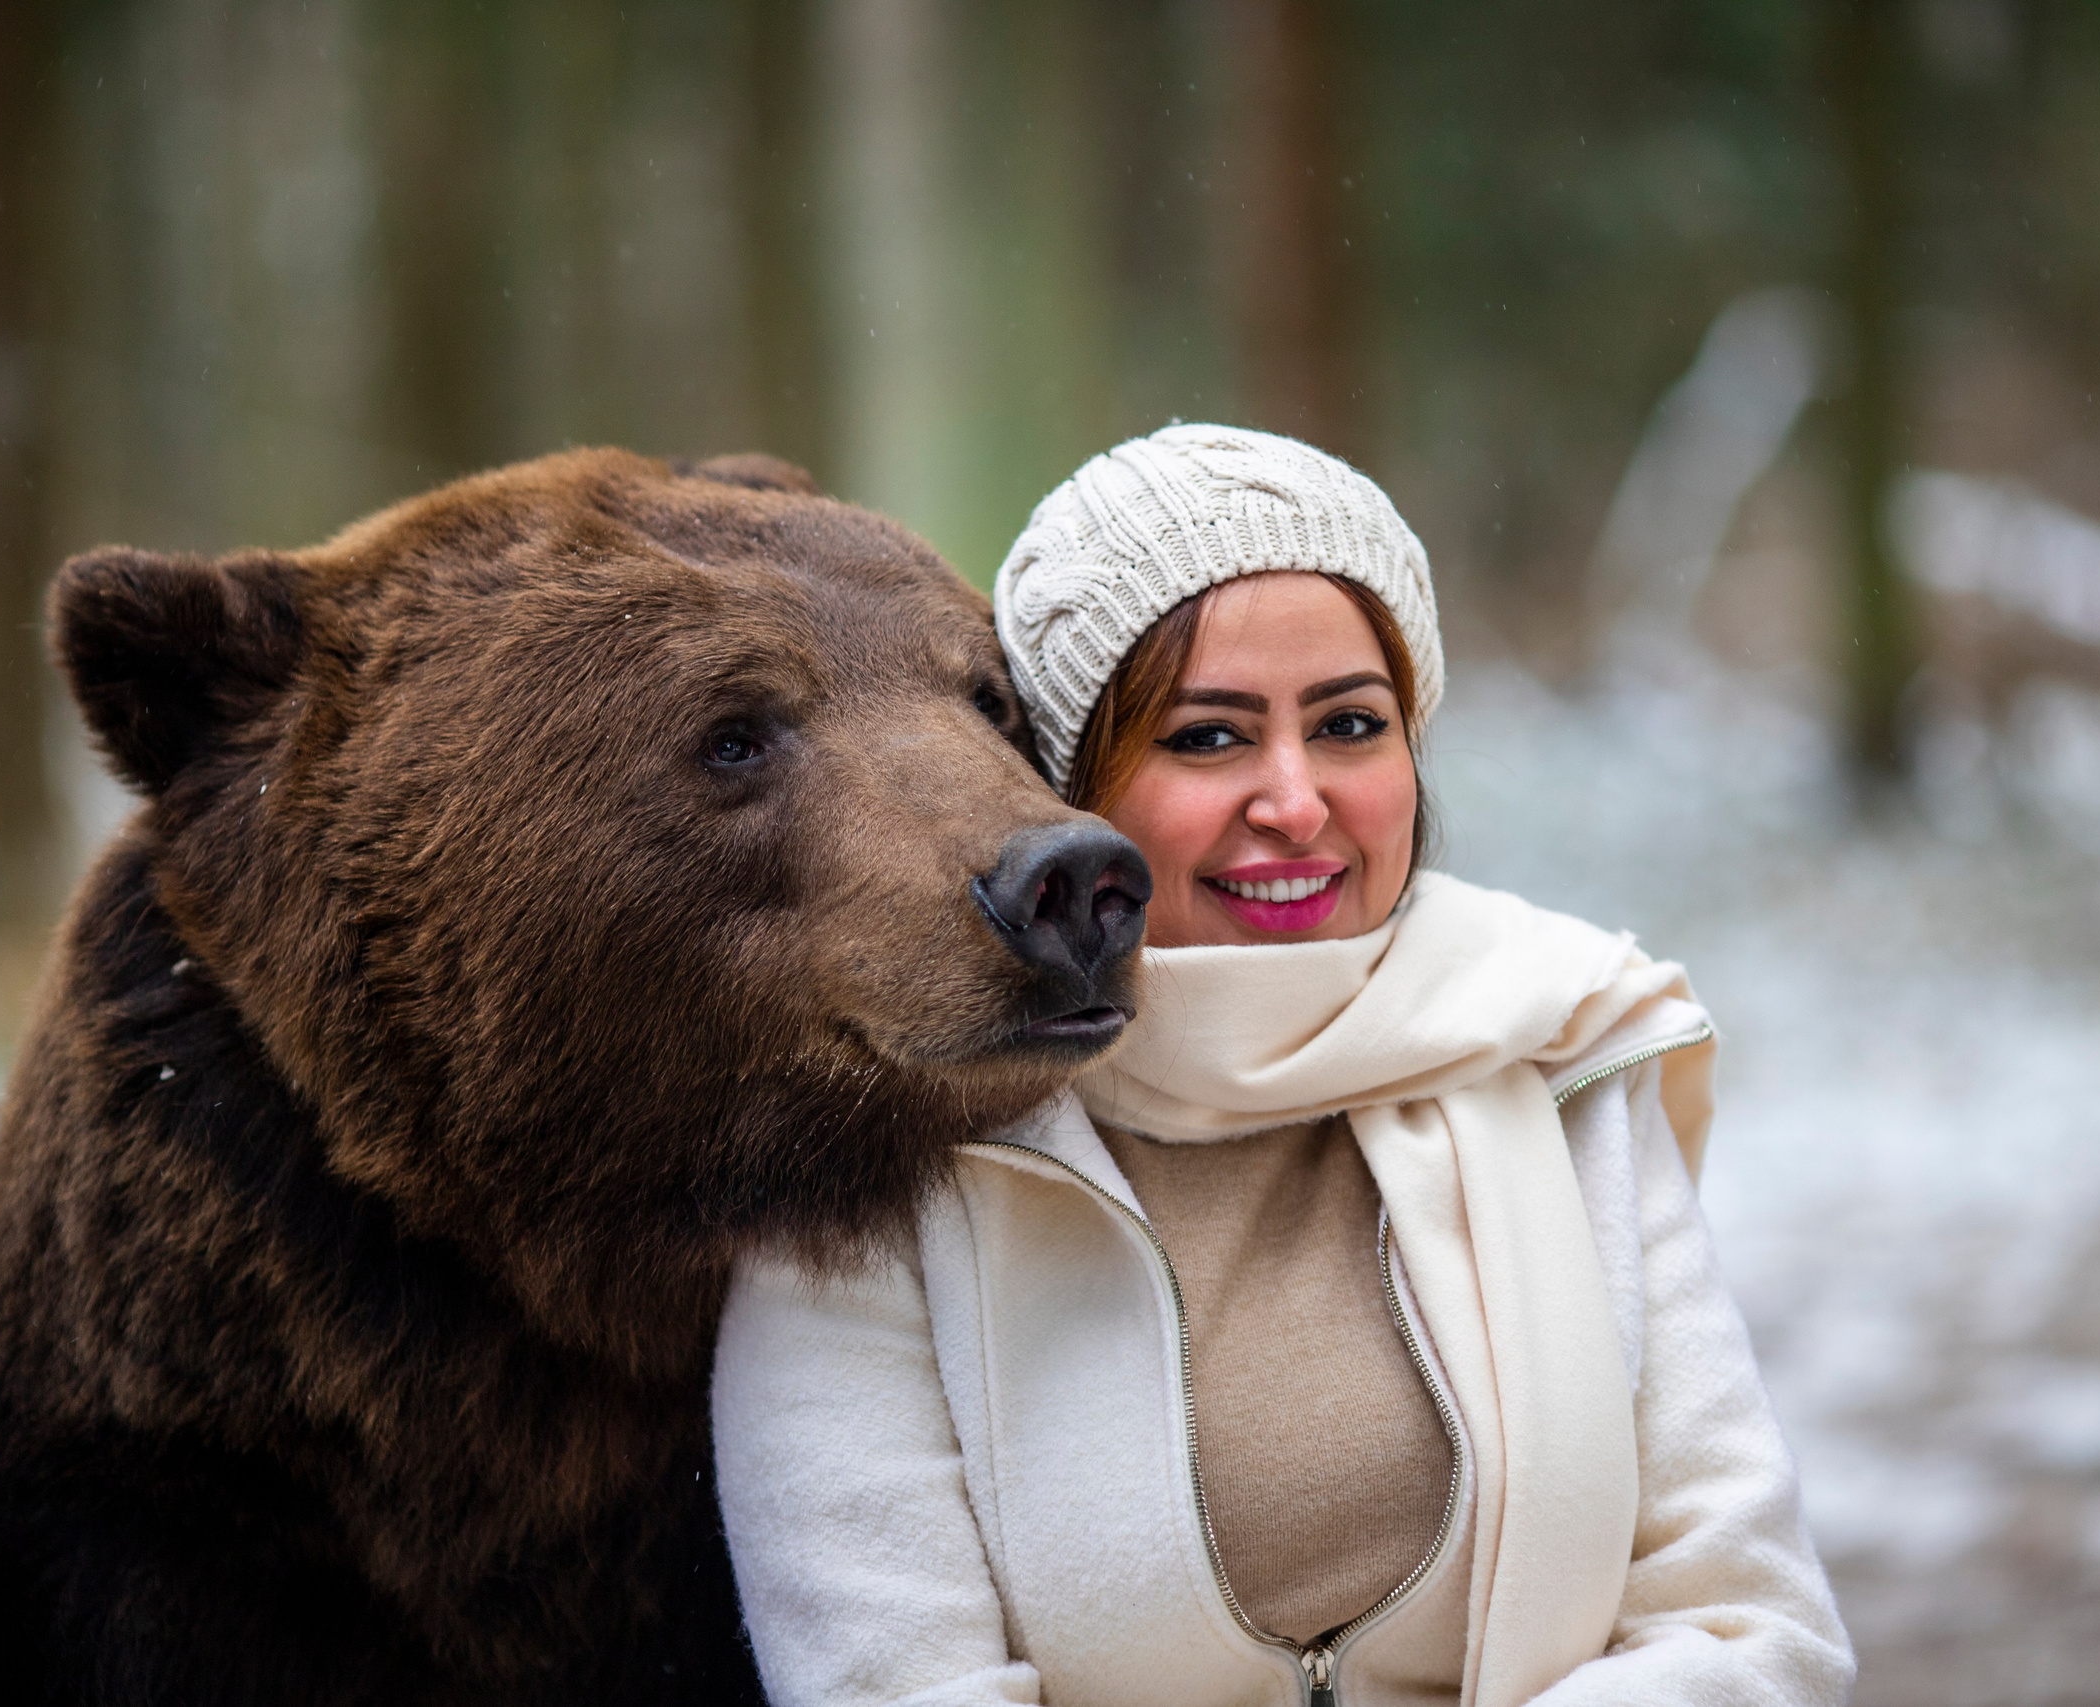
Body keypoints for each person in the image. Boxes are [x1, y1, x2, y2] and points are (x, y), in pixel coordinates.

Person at [712, 424, 1854, 1707]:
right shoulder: (880, 1149)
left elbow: (1749, 1630)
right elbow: (896, 1687)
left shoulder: (1561, 1050)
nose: (1296, 802)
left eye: (1351, 725)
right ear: (1069, 786)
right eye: (1208, 739)